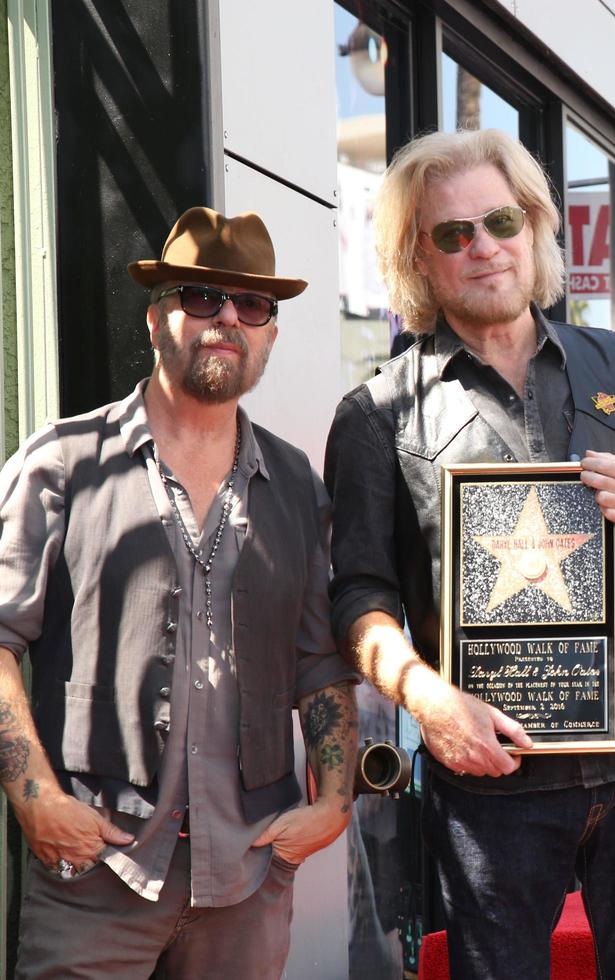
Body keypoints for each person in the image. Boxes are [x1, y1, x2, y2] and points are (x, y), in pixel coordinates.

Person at [325, 128, 615, 978]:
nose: (483, 247)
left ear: (535, 228)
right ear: (419, 259)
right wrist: (427, 700)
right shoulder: (378, 415)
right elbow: (360, 598)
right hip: (490, 784)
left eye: (500, 221)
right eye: (452, 233)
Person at [0, 207, 359, 977]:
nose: (228, 317)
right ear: (159, 316)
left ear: (268, 331)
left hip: (248, 878)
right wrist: (35, 798)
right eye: (203, 297)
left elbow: (319, 662)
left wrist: (333, 801)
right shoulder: (63, 464)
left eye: (253, 305)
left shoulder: (297, 485)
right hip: (96, 875)